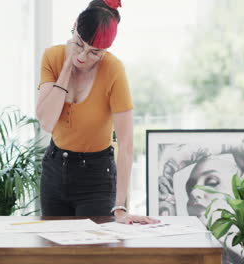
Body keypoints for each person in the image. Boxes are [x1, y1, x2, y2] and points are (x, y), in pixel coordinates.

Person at [36, 0, 158, 225]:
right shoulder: (52, 58)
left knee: (95, 253)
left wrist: (120, 207)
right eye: (79, 44)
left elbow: (127, 144)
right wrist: (67, 67)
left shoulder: (113, 70)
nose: (83, 56)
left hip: (96, 175)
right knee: (54, 255)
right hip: (54, 169)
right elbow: (46, 121)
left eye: (94, 53)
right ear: (74, 27)